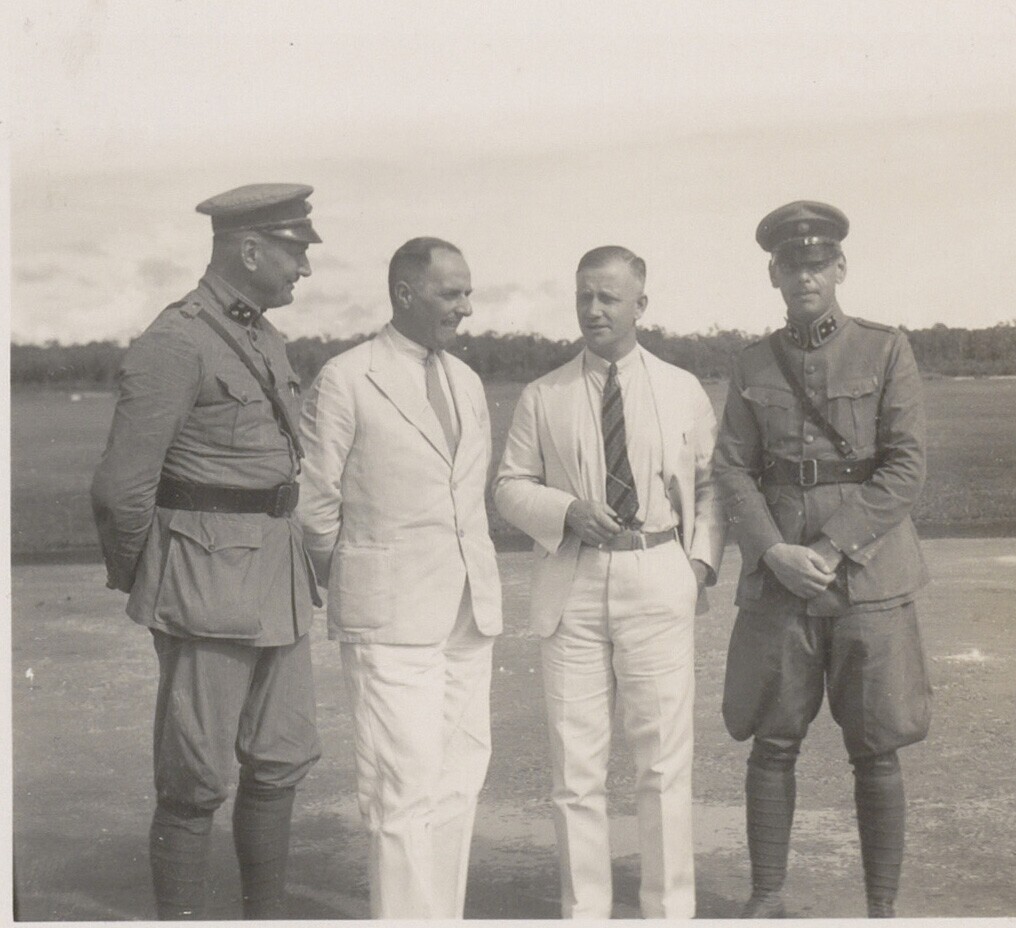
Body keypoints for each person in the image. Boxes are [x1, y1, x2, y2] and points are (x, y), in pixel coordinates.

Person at [91, 183, 324, 919]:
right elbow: (121, 489)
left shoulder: (264, 337)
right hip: (204, 583)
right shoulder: (176, 341)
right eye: (294, 251)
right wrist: (156, 580)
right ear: (249, 250)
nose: (304, 268)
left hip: (278, 577)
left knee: (282, 757)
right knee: (194, 780)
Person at [714, 201, 932, 919]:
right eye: (790, 266)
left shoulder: (884, 349)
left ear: (839, 268)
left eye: (816, 264)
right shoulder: (751, 362)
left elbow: (905, 466)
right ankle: (767, 896)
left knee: (876, 747)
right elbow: (732, 468)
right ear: (773, 275)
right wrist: (773, 551)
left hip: (867, 576)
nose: (804, 276)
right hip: (781, 581)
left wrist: (831, 545)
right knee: (772, 740)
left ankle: (880, 908)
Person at [495, 245, 725, 919]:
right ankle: (585, 912)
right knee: (575, 770)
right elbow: (508, 487)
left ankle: (669, 910)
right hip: (572, 584)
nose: (593, 310)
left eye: (608, 298)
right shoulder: (544, 395)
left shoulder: (681, 388)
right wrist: (566, 510)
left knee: (663, 764)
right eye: (583, 297)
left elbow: (710, 487)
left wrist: (696, 566)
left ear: (640, 305)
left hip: (657, 574)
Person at [294, 237, 502, 919]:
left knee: (458, 784)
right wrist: (358, 580)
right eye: (452, 293)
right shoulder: (347, 377)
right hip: (387, 617)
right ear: (405, 293)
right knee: (400, 792)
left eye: (468, 293)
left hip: (468, 613)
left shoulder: (466, 381)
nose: (465, 308)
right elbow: (314, 507)